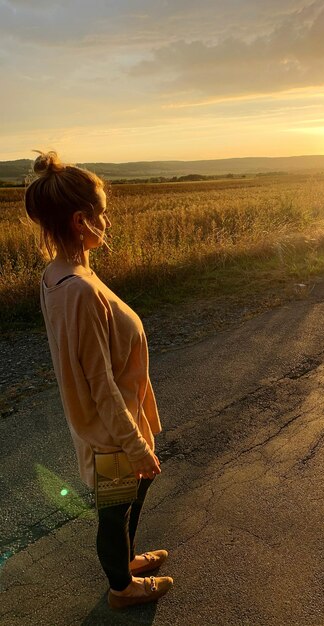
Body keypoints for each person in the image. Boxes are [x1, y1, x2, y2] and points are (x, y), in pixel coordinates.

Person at [24, 150, 173, 610]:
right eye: (102, 213)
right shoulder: (81, 290)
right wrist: (135, 446)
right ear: (80, 220)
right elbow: (100, 382)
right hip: (112, 434)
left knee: (127, 502)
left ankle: (125, 563)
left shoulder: (60, 274)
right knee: (114, 515)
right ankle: (121, 588)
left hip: (114, 423)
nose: (107, 221)